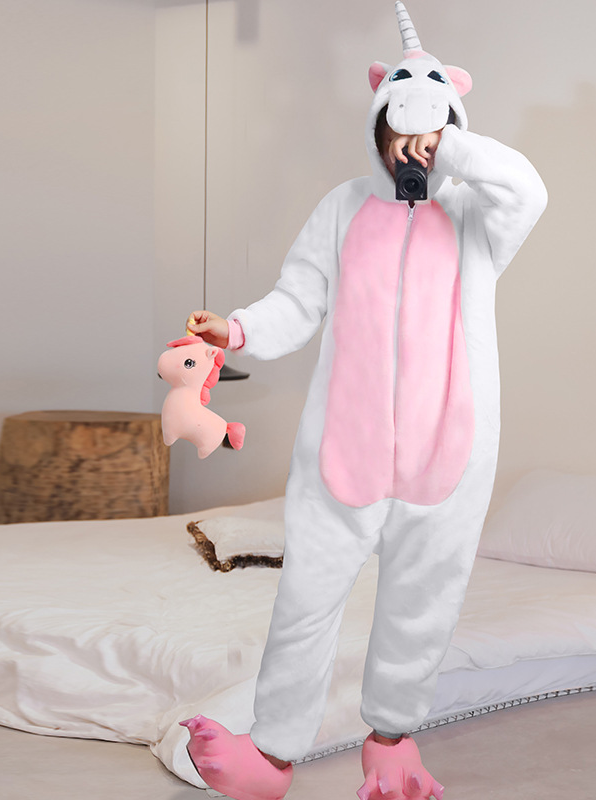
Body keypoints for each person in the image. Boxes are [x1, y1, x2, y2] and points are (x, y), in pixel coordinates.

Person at [179, 4, 547, 800]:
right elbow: (297, 300)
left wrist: (450, 146)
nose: (410, 149)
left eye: (429, 134)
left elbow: (528, 188)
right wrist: (236, 330)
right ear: (375, 125)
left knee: (422, 606)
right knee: (305, 602)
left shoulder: (475, 218)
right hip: (342, 452)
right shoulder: (342, 208)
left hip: (447, 451)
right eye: (398, 130)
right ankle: (271, 755)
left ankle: (391, 745)